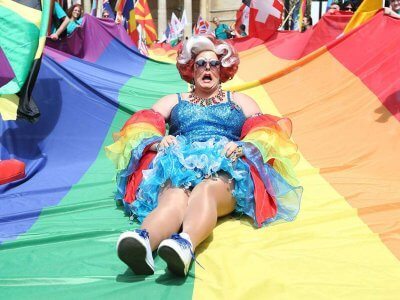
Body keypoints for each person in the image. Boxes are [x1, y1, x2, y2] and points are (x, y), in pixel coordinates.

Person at [106, 35, 302, 277]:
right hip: (179, 163)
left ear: (223, 69)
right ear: (191, 69)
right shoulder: (173, 100)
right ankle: (144, 242)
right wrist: (158, 141)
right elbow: (141, 125)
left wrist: (245, 145)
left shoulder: (240, 101)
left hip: (225, 165)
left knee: (206, 191)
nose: (207, 68)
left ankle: (184, 244)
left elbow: (265, 131)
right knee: (174, 198)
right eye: (201, 63)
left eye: (214, 64)